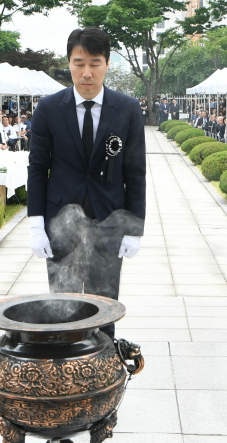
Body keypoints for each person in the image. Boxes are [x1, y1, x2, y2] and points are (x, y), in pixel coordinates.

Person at [28, 27, 146, 331]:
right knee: (62, 307)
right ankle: (64, 369)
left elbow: (135, 172)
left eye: (95, 63)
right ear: (68, 63)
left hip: (109, 220)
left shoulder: (128, 109)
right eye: (79, 63)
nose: (87, 73)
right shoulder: (49, 109)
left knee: (104, 305)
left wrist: (135, 229)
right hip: (60, 222)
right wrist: (35, 225)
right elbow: (38, 168)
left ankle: (103, 365)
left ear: (107, 63)